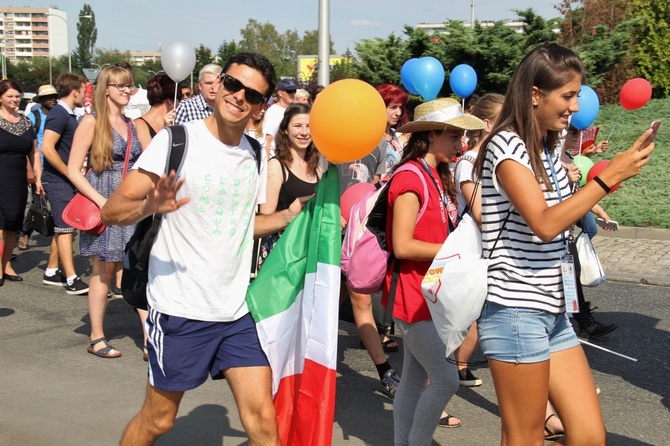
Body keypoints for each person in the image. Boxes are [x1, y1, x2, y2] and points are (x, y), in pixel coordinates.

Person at [101, 52, 306, 445]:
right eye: (233, 84)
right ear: (217, 86)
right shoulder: (177, 141)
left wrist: (286, 217)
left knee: (263, 421)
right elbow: (112, 211)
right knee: (158, 420)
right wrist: (149, 206)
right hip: (180, 310)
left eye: (253, 94)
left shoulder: (254, 153)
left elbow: (241, 227)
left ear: (262, 106)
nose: (239, 97)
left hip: (235, 312)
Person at [472, 43, 653, 445]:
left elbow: (564, 211)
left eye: (577, 94)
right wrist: (607, 179)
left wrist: (611, 174)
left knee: (589, 436)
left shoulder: (550, 145)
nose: (575, 105)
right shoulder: (506, 146)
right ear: (535, 94)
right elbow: (544, 224)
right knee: (524, 438)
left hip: (553, 311)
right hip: (515, 311)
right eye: (568, 95)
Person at [383, 97, 485, 444]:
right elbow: (403, 246)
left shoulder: (436, 176)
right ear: (431, 135)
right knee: (445, 379)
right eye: (454, 136)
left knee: (413, 381)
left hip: (429, 296)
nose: (461, 143)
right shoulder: (410, 178)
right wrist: (455, 254)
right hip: (413, 299)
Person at [67, 66, 143, 358]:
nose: (126, 90)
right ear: (106, 89)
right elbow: (74, 170)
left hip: (129, 201)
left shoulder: (132, 124)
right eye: (120, 85)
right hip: (102, 200)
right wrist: (101, 201)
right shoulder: (91, 122)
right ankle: (96, 336)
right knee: (104, 270)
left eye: (129, 86)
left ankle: (149, 338)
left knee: (134, 267)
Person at [452, 93, 505, 390]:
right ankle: (450, 366)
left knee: (480, 310)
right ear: (487, 125)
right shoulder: (469, 163)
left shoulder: (500, 159)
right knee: (473, 310)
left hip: (493, 244)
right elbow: (481, 214)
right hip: (475, 245)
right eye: (504, 122)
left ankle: (457, 364)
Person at [40, 73, 90, 295]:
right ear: (75, 91)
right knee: (65, 228)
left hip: (64, 179)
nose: (85, 95)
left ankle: (51, 270)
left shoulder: (67, 113)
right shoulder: (59, 114)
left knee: (64, 225)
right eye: (83, 90)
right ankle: (71, 278)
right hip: (57, 180)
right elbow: (47, 148)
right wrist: (69, 173)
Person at [256, 103, 320, 268]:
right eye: (297, 126)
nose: (304, 132)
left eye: (309, 126)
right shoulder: (276, 166)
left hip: (309, 252)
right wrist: (292, 213)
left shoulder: (317, 168)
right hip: (282, 254)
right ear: (285, 130)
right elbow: (265, 217)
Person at [0, 79, 44, 286]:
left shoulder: (26, 121)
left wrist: (38, 178)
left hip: (17, 179)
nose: (15, 99)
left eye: (17, 95)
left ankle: (7, 263)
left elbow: (34, 153)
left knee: (12, 223)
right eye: (10, 95)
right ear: (0, 97)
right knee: (0, 224)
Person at [17, 84, 58, 251]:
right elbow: (28, 145)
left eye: (54, 96)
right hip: (38, 165)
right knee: (37, 201)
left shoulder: (59, 116)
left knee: (55, 202)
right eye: (48, 97)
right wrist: (30, 168)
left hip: (56, 165)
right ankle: (25, 232)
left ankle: (59, 237)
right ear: (41, 100)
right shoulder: (34, 117)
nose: (52, 99)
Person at [134, 74, 180, 149]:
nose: (179, 104)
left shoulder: (174, 125)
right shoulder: (139, 125)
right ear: (169, 101)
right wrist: (165, 130)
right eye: (179, 99)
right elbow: (149, 155)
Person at [376, 84, 409, 176]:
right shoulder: (372, 138)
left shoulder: (396, 135)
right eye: (393, 107)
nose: (398, 113)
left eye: (400, 107)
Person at [264, 78, 297, 156]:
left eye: (294, 91)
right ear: (280, 93)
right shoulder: (272, 112)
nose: (292, 94)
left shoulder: (294, 110)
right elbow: (267, 139)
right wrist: (267, 162)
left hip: (290, 158)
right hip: (276, 158)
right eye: (289, 91)